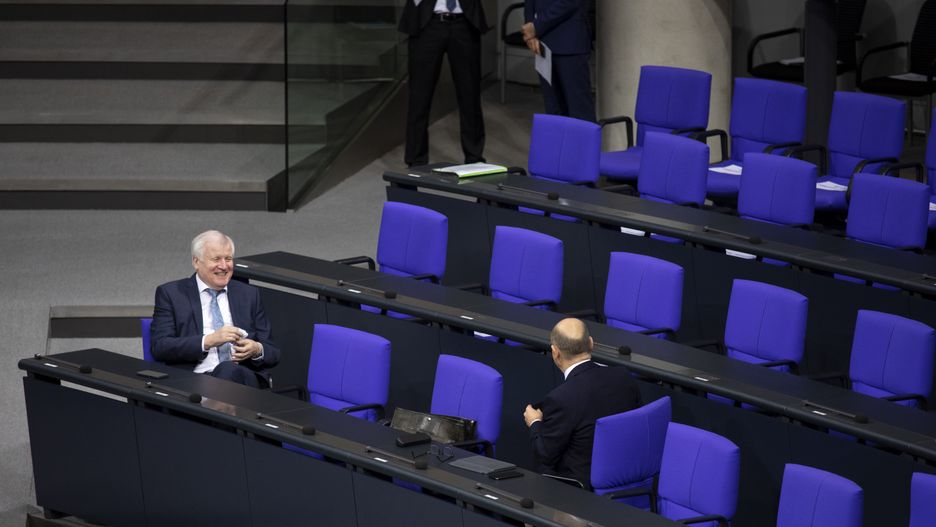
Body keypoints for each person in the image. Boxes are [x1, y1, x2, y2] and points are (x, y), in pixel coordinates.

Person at [151, 230, 280, 388]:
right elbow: (160, 347)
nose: (224, 266)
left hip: (243, 380)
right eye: (216, 259)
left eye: (228, 259)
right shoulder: (171, 294)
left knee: (228, 370)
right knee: (225, 373)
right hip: (193, 381)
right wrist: (209, 340)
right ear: (196, 262)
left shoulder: (248, 294)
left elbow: (273, 353)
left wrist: (256, 349)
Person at [524, 318, 640, 486]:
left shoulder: (561, 398)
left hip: (580, 484)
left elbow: (546, 454)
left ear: (555, 352)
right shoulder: (623, 376)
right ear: (591, 343)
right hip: (628, 472)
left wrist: (534, 422)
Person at [399, 0, 488, 167]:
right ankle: (416, 160)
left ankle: (474, 158)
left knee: (470, 95)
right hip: (427, 24)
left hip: (465, 23)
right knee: (419, 96)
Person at [522, 0, 596, 122]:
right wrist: (529, 30)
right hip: (542, 43)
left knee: (579, 112)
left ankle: (580, 142)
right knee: (553, 110)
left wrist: (536, 27)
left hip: (570, 42)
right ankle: (559, 142)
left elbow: (571, 2)